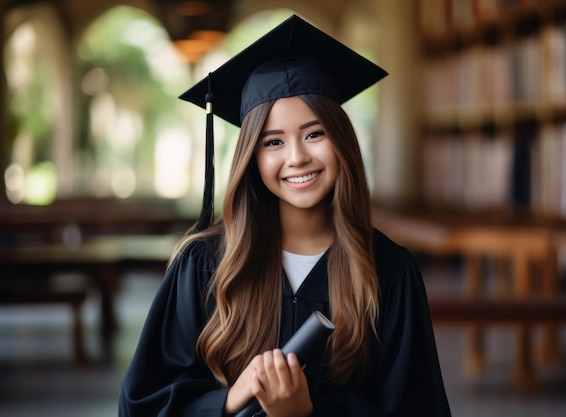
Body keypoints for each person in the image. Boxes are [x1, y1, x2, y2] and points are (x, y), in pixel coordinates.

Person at [118, 14, 451, 417]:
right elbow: (143, 405)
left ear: (341, 141)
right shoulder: (204, 266)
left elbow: (416, 408)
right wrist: (229, 399)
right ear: (251, 158)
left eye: (314, 134)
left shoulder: (388, 272)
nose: (297, 158)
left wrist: (304, 412)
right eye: (273, 141)